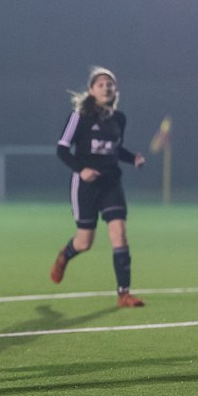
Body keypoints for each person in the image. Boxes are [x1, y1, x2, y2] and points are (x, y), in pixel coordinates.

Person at [49, 67, 146, 307]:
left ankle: (124, 294)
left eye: (110, 84)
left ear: (116, 90)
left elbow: (114, 149)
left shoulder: (119, 119)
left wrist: (132, 158)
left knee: (119, 233)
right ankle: (65, 255)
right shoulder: (79, 116)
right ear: (91, 90)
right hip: (85, 185)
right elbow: (62, 149)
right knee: (84, 242)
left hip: (111, 182)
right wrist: (81, 170)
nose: (106, 87)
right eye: (101, 84)